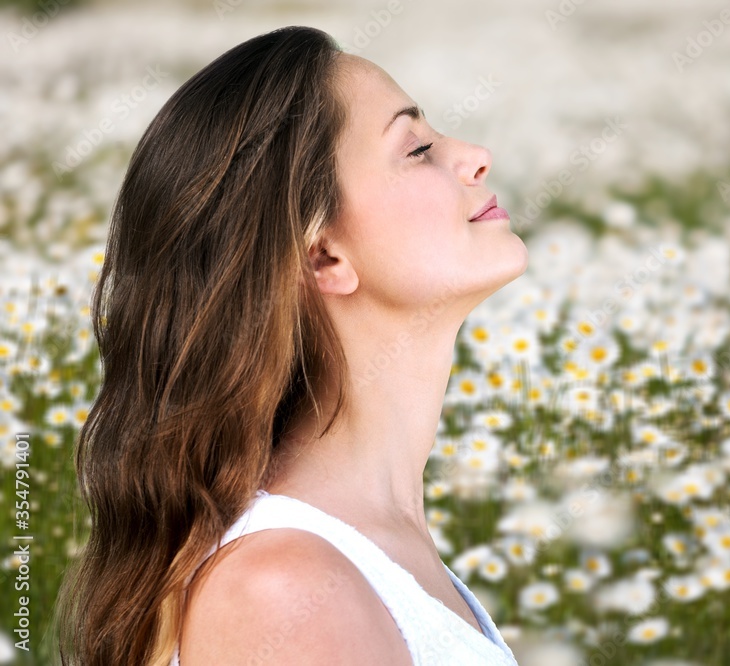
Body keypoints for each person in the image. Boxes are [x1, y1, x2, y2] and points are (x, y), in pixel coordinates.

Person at [55, 25, 527, 665]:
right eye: (416, 148)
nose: (475, 156)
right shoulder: (285, 589)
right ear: (323, 256)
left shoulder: (360, 550)